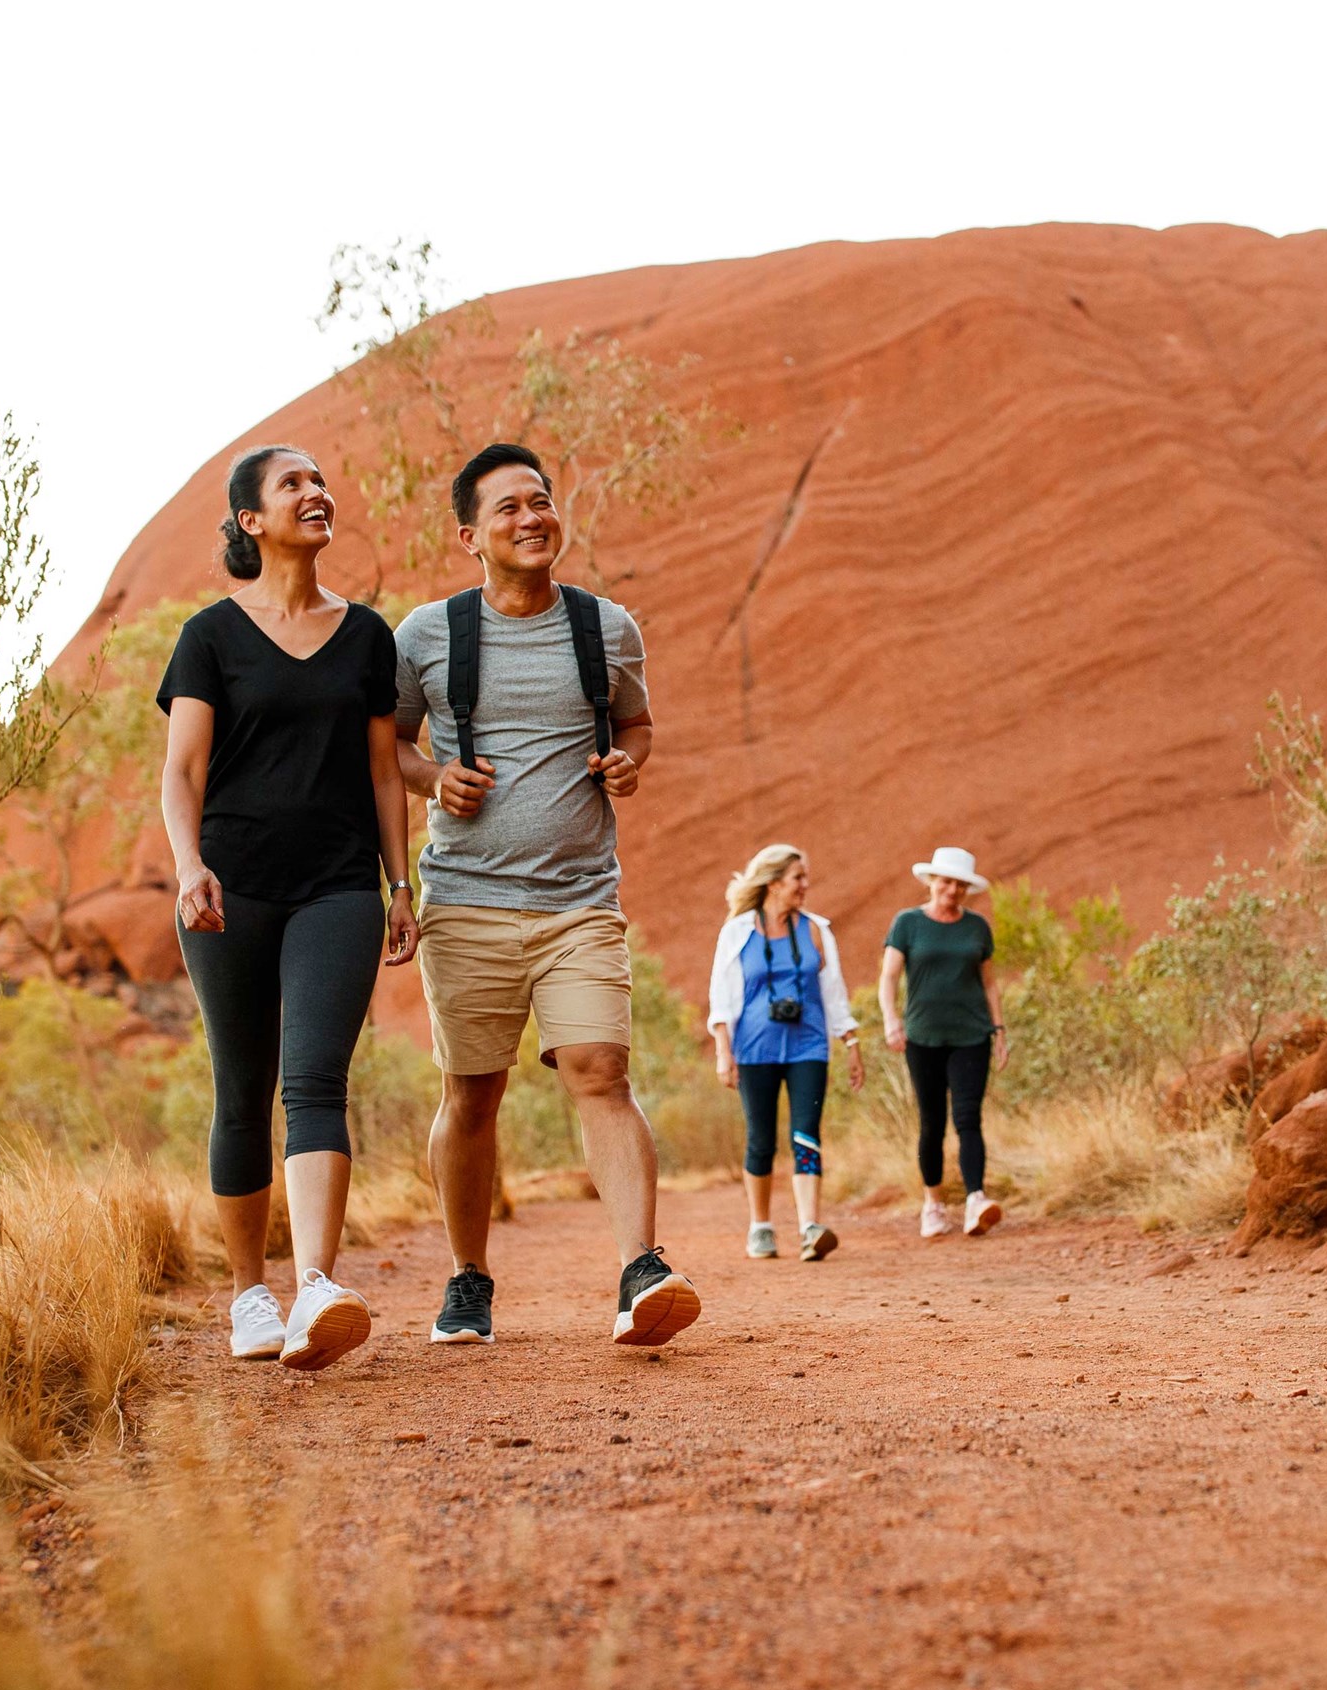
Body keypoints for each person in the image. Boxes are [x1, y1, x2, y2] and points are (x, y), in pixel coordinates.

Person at [393, 442, 699, 1348]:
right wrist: (433, 780)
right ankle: (468, 1279)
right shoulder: (428, 634)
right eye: (508, 510)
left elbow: (639, 726)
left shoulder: (607, 627)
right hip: (467, 901)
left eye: (542, 501)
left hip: (579, 901)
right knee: (472, 1095)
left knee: (602, 1073)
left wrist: (626, 764)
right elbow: (394, 747)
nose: (533, 518)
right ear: (468, 537)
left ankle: (642, 1269)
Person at [158, 444, 419, 1372]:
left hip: (338, 884)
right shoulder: (210, 636)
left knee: (314, 1079)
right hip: (230, 885)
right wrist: (189, 866)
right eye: (292, 484)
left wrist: (398, 882)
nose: (317, 492)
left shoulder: (366, 636)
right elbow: (183, 770)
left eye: (320, 480)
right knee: (243, 1088)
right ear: (250, 521)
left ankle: (315, 1285)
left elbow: (385, 770)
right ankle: (248, 1296)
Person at [707, 845, 864, 1262]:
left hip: (808, 1045)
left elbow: (833, 991)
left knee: (806, 1133)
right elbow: (721, 999)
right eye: (798, 878)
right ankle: (760, 1226)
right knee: (760, 1139)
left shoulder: (816, 930)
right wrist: (724, 1052)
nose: (805, 885)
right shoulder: (737, 931)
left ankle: (810, 1226)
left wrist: (850, 1042)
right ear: (774, 882)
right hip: (754, 1047)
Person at [879, 845, 1009, 1239]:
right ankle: (933, 1205)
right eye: (946, 881)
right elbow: (888, 977)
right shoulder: (907, 924)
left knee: (968, 1117)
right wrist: (891, 1020)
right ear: (931, 882)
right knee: (932, 1122)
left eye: (960, 884)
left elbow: (989, 982)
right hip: (923, 1037)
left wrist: (999, 1030)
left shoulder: (976, 928)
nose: (952, 890)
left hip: (971, 1035)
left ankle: (975, 1200)